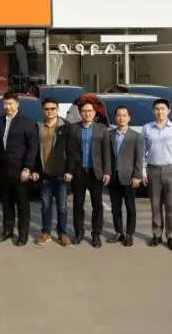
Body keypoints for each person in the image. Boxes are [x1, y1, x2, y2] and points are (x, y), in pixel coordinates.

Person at [32, 97, 78, 246]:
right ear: (43, 111)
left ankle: (62, 233)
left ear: (57, 110)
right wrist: (34, 169)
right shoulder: (39, 127)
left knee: (62, 207)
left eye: (52, 109)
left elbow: (72, 152)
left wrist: (70, 171)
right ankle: (45, 233)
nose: (50, 111)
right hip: (45, 174)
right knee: (45, 206)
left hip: (61, 174)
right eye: (46, 109)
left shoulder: (66, 127)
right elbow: (34, 151)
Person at [142, 98, 172, 251]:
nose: (160, 111)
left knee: (171, 206)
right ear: (153, 111)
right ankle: (156, 234)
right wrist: (143, 171)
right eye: (157, 109)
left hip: (171, 170)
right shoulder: (147, 128)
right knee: (155, 205)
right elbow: (142, 152)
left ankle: (171, 236)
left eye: (163, 109)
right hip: (153, 170)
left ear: (168, 111)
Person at [0, 92, 39, 246]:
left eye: (10, 104)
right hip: (3, 170)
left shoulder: (27, 123)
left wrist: (28, 168)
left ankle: (23, 234)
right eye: (5, 103)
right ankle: (7, 231)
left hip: (20, 170)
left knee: (22, 204)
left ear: (17, 104)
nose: (7, 107)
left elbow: (33, 148)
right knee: (6, 203)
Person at [70, 97, 109, 247]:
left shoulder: (102, 129)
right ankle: (79, 233)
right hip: (79, 171)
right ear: (80, 113)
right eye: (84, 111)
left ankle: (96, 234)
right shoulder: (73, 128)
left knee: (97, 205)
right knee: (78, 204)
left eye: (90, 111)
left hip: (96, 172)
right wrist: (69, 170)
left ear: (94, 113)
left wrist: (107, 171)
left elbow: (106, 153)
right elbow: (69, 151)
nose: (87, 114)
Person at [105, 105, 144, 247]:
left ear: (129, 118)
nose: (121, 118)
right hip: (113, 177)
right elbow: (107, 156)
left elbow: (139, 158)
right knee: (115, 207)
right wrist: (107, 172)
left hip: (129, 177)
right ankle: (118, 232)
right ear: (115, 118)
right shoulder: (109, 135)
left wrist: (137, 176)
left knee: (130, 207)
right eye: (118, 115)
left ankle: (129, 234)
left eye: (124, 115)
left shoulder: (136, 136)